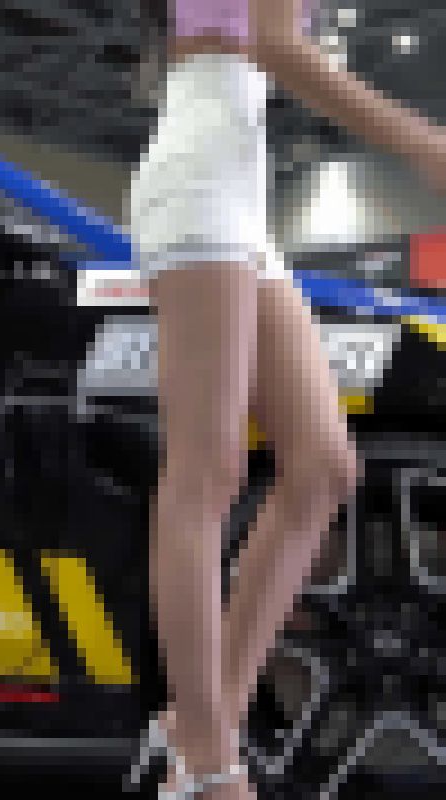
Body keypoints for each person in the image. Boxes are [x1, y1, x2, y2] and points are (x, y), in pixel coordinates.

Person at [132, 1, 446, 797]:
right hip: (201, 177)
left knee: (322, 469)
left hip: (240, 189)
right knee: (206, 471)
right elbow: (274, 44)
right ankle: (209, 763)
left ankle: (202, 728)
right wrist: (421, 140)